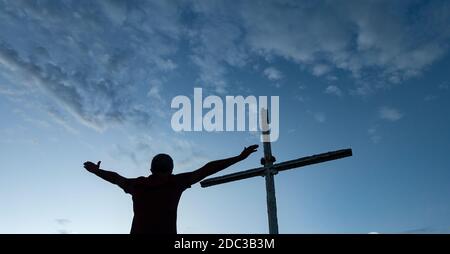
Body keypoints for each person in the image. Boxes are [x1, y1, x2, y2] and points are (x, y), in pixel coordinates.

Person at [83, 144, 259, 234]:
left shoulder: (138, 185)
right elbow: (208, 168)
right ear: (171, 169)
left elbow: (115, 178)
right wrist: (238, 158)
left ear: (151, 169)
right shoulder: (175, 182)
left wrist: (97, 172)